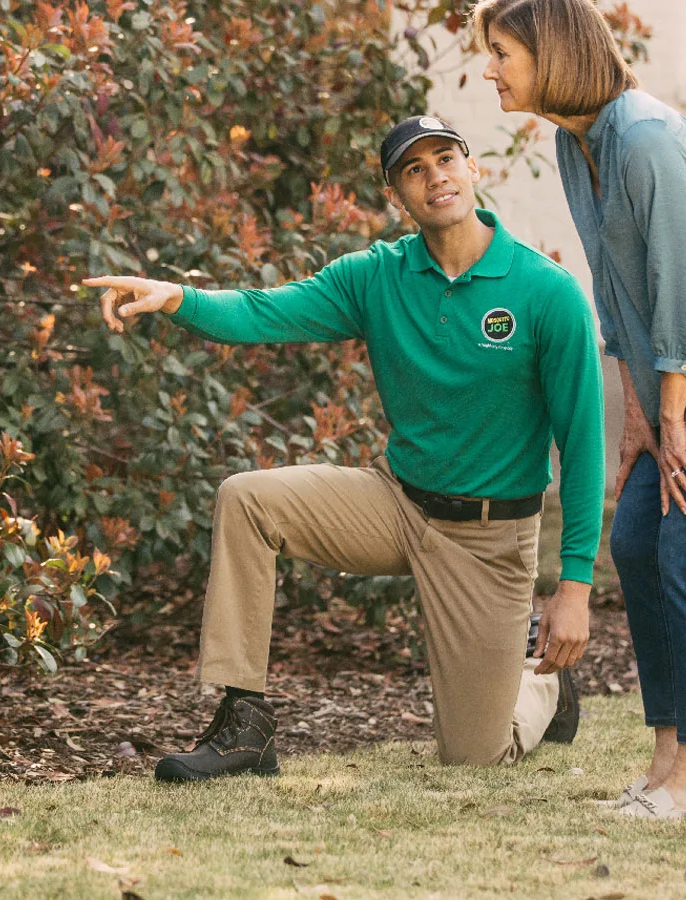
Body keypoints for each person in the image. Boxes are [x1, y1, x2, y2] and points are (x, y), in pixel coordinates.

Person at [83, 115, 606, 781]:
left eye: (445, 158)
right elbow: (264, 312)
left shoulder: (547, 293)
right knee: (248, 500)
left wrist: (575, 587)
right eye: (414, 169)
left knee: (476, 753)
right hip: (397, 502)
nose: (435, 177)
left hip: (488, 539)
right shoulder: (376, 277)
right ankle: (245, 724)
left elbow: (582, 447)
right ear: (396, 194)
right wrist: (176, 298)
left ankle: (544, 687)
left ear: (472, 168)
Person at [474, 0, 686, 818]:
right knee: (634, 538)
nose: (489, 70)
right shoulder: (576, 142)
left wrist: (672, 413)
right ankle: (666, 763)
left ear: (553, 55)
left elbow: (681, 288)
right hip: (675, 368)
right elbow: (616, 288)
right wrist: (636, 411)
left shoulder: (647, 137)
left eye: (502, 53)